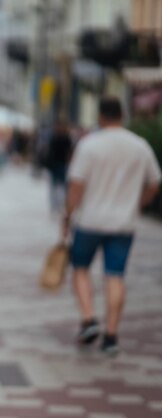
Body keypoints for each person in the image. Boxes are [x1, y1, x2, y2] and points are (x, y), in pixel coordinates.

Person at [63, 96, 161, 355]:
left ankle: (88, 318)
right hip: (123, 223)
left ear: (101, 116)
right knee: (115, 276)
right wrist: (139, 203)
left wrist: (67, 216)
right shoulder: (139, 146)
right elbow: (155, 182)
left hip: (89, 221)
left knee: (80, 268)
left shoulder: (89, 145)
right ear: (122, 115)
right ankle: (112, 335)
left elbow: (76, 185)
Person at [45, 121, 73, 217]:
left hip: (59, 165)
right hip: (58, 165)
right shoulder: (61, 138)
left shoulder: (58, 138)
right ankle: (57, 205)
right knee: (59, 186)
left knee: (58, 186)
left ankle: (57, 205)